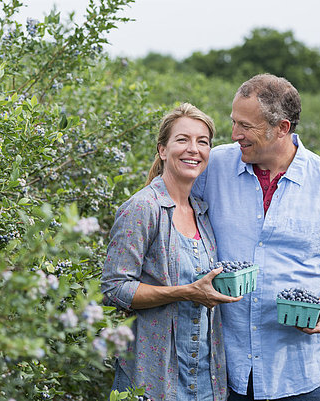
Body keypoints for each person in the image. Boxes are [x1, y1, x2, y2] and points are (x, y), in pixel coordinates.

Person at [192, 74, 320, 400]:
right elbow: (167, 207)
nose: (234, 135)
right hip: (228, 370)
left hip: (304, 370)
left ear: (282, 128)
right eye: (233, 122)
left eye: (246, 126)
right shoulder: (213, 166)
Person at [102, 103, 242, 401]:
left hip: (206, 379)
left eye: (202, 142)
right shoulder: (143, 208)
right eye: (182, 140)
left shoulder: (202, 214)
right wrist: (184, 292)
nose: (194, 149)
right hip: (151, 379)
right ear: (163, 150)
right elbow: (114, 289)